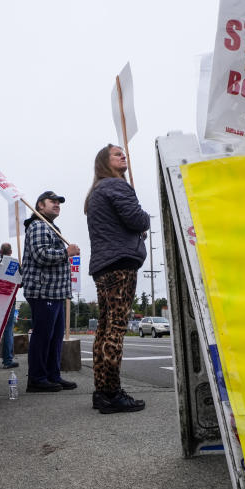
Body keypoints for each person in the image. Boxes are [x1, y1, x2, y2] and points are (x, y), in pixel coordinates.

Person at [84, 145, 151, 414]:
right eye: (116, 154)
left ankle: (102, 391)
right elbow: (138, 220)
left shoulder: (97, 192)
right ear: (105, 162)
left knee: (104, 328)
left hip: (103, 266)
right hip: (120, 265)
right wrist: (143, 217)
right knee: (117, 328)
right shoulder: (117, 186)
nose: (123, 156)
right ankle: (112, 393)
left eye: (124, 153)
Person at [21, 191, 81, 392]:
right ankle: (37, 378)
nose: (57, 204)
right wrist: (67, 252)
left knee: (55, 337)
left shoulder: (52, 227)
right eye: (52, 201)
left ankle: (52, 375)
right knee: (43, 336)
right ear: (39, 206)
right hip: (42, 290)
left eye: (59, 202)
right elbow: (41, 255)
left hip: (55, 292)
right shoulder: (38, 226)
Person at [0, 243, 19, 369]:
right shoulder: (15, 263)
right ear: (11, 252)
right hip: (10, 298)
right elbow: (20, 282)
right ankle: (7, 360)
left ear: (0, 251)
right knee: (8, 329)